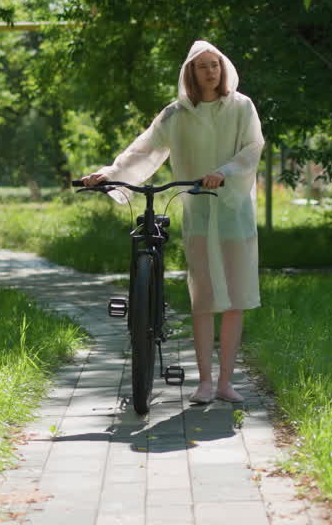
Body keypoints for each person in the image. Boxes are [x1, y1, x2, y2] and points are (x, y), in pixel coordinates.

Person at [81, 40, 264, 404]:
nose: (210, 71)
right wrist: (110, 173)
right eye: (202, 67)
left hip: (233, 212)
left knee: (234, 297)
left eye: (215, 65)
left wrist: (223, 172)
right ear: (190, 73)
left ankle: (227, 382)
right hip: (198, 214)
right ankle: (205, 383)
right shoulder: (176, 114)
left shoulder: (241, 107)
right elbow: (145, 148)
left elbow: (252, 148)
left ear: (223, 68)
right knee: (203, 297)